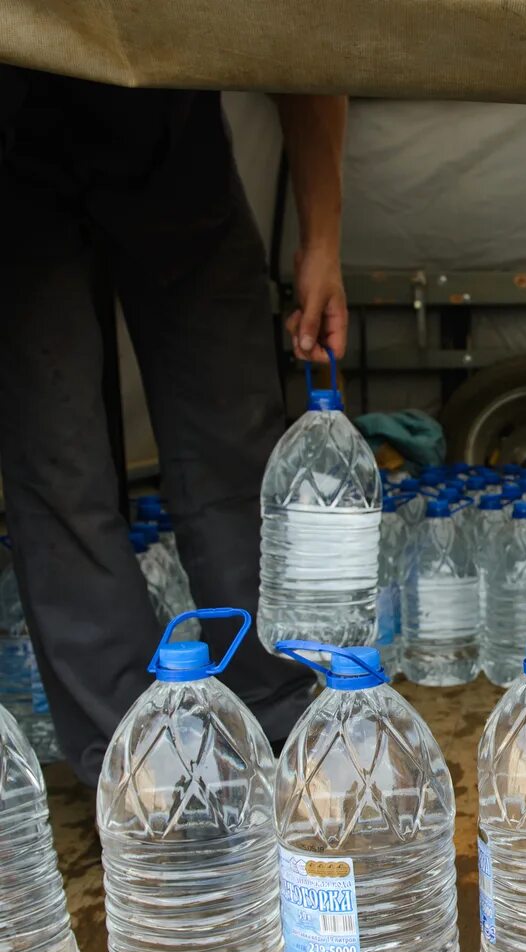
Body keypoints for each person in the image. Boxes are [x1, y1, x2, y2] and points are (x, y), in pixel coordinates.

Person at [0, 69, 350, 784]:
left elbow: (313, 46)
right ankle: (135, 774)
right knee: (55, 460)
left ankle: (278, 727)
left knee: (230, 436)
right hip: (11, 133)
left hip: (167, 115)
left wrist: (322, 240)